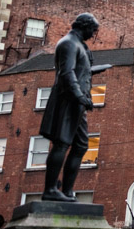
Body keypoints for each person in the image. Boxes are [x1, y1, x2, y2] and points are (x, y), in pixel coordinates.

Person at [38, 13, 111, 202]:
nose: (94, 34)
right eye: (93, 30)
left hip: (78, 103)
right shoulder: (68, 43)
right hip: (68, 99)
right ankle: (51, 190)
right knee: (62, 143)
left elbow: (79, 71)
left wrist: (96, 69)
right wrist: (79, 96)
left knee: (80, 145)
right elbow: (66, 73)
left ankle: (67, 191)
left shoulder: (79, 45)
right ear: (84, 26)